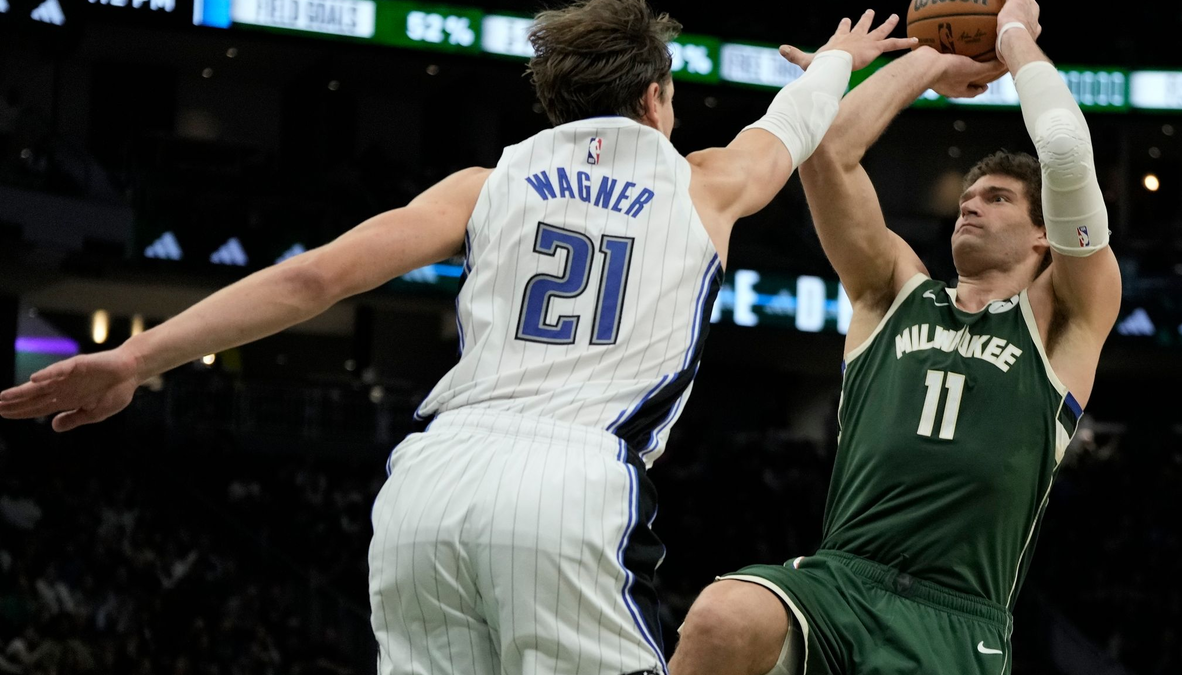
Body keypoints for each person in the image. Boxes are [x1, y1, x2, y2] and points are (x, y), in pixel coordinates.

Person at [0, 1, 915, 672]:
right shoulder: (704, 182)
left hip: (430, 479)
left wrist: (133, 356)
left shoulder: (487, 183)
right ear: (656, 97)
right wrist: (838, 57)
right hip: (570, 481)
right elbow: (790, 129)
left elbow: (313, 277)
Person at [667, 1, 1122, 674]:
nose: (970, 202)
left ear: (1041, 234)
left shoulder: (1064, 317)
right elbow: (831, 147)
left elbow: (1061, 149)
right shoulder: (892, 290)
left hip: (955, 615)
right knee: (722, 615)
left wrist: (1012, 35)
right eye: (968, 194)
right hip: (841, 579)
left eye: (996, 197)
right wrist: (931, 61)